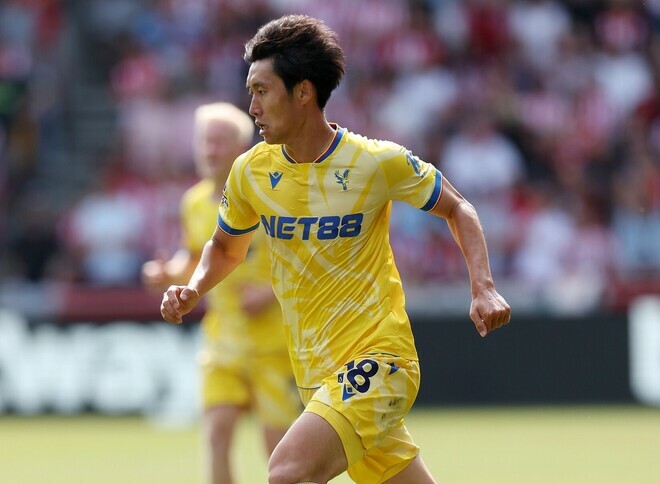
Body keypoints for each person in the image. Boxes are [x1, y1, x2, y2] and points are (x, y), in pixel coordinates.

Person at [161, 15, 511, 484]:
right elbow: (225, 247)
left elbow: (459, 210)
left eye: (262, 91)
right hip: (318, 377)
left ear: (303, 92)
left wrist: (483, 288)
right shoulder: (250, 173)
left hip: (381, 361)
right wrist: (195, 286)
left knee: (286, 471)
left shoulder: (375, 162)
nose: (252, 107)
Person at [143, 102, 301, 484]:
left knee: (279, 452)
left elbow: (306, 259)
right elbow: (197, 258)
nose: (209, 150)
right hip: (223, 339)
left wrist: (272, 292)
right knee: (215, 434)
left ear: (240, 148)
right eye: (204, 141)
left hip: (274, 344)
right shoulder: (194, 203)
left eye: (219, 141)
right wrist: (170, 273)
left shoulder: (270, 197)